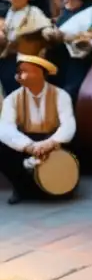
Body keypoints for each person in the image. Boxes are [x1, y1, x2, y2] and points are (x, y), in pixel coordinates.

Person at [0, 54, 76, 204]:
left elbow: (68, 125)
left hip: (54, 141)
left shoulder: (61, 95)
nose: (21, 76)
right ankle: (21, 188)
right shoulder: (12, 99)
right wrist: (28, 146)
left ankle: (56, 184)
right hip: (26, 142)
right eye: (20, 72)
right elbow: (5, 128)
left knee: (65, 192)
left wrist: (50, 143)